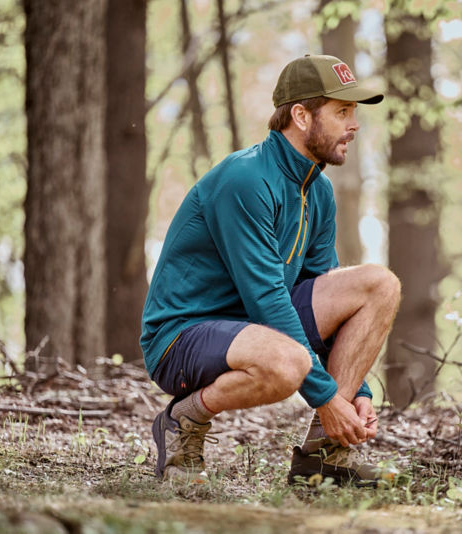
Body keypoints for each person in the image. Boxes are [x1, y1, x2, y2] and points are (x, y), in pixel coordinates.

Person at [141, 54, 401, 486]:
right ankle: (182, 423)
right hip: (182, 337)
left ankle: (324, 459)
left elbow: (325, 291)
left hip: (254, 327)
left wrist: (356, 393)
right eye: (342, 111)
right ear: (301, 116)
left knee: (378, 285)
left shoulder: (316, 190)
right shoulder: (245, 179)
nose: (353, 124)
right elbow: (266, 299)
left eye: (353, 111)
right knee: (288, 363)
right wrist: (325, 399)